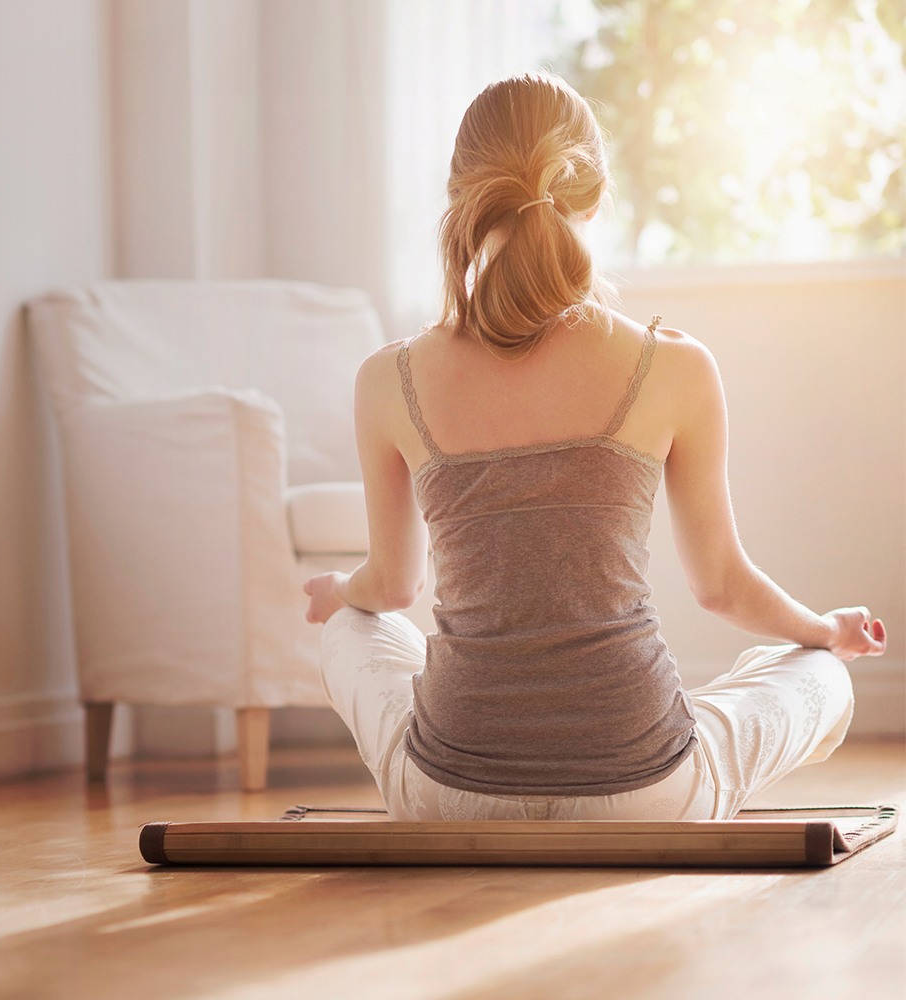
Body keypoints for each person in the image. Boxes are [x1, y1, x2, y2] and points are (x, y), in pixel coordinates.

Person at [301, 71, 887, 822]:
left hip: (450, 798)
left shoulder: (389, 377)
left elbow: (389, 589)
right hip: (648, 793)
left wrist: (338, 594)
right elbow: (721, 587)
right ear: (593, 192)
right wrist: (826, 632)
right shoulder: (673, 364)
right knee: (822, 673)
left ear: (462, 198)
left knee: (353, 626)